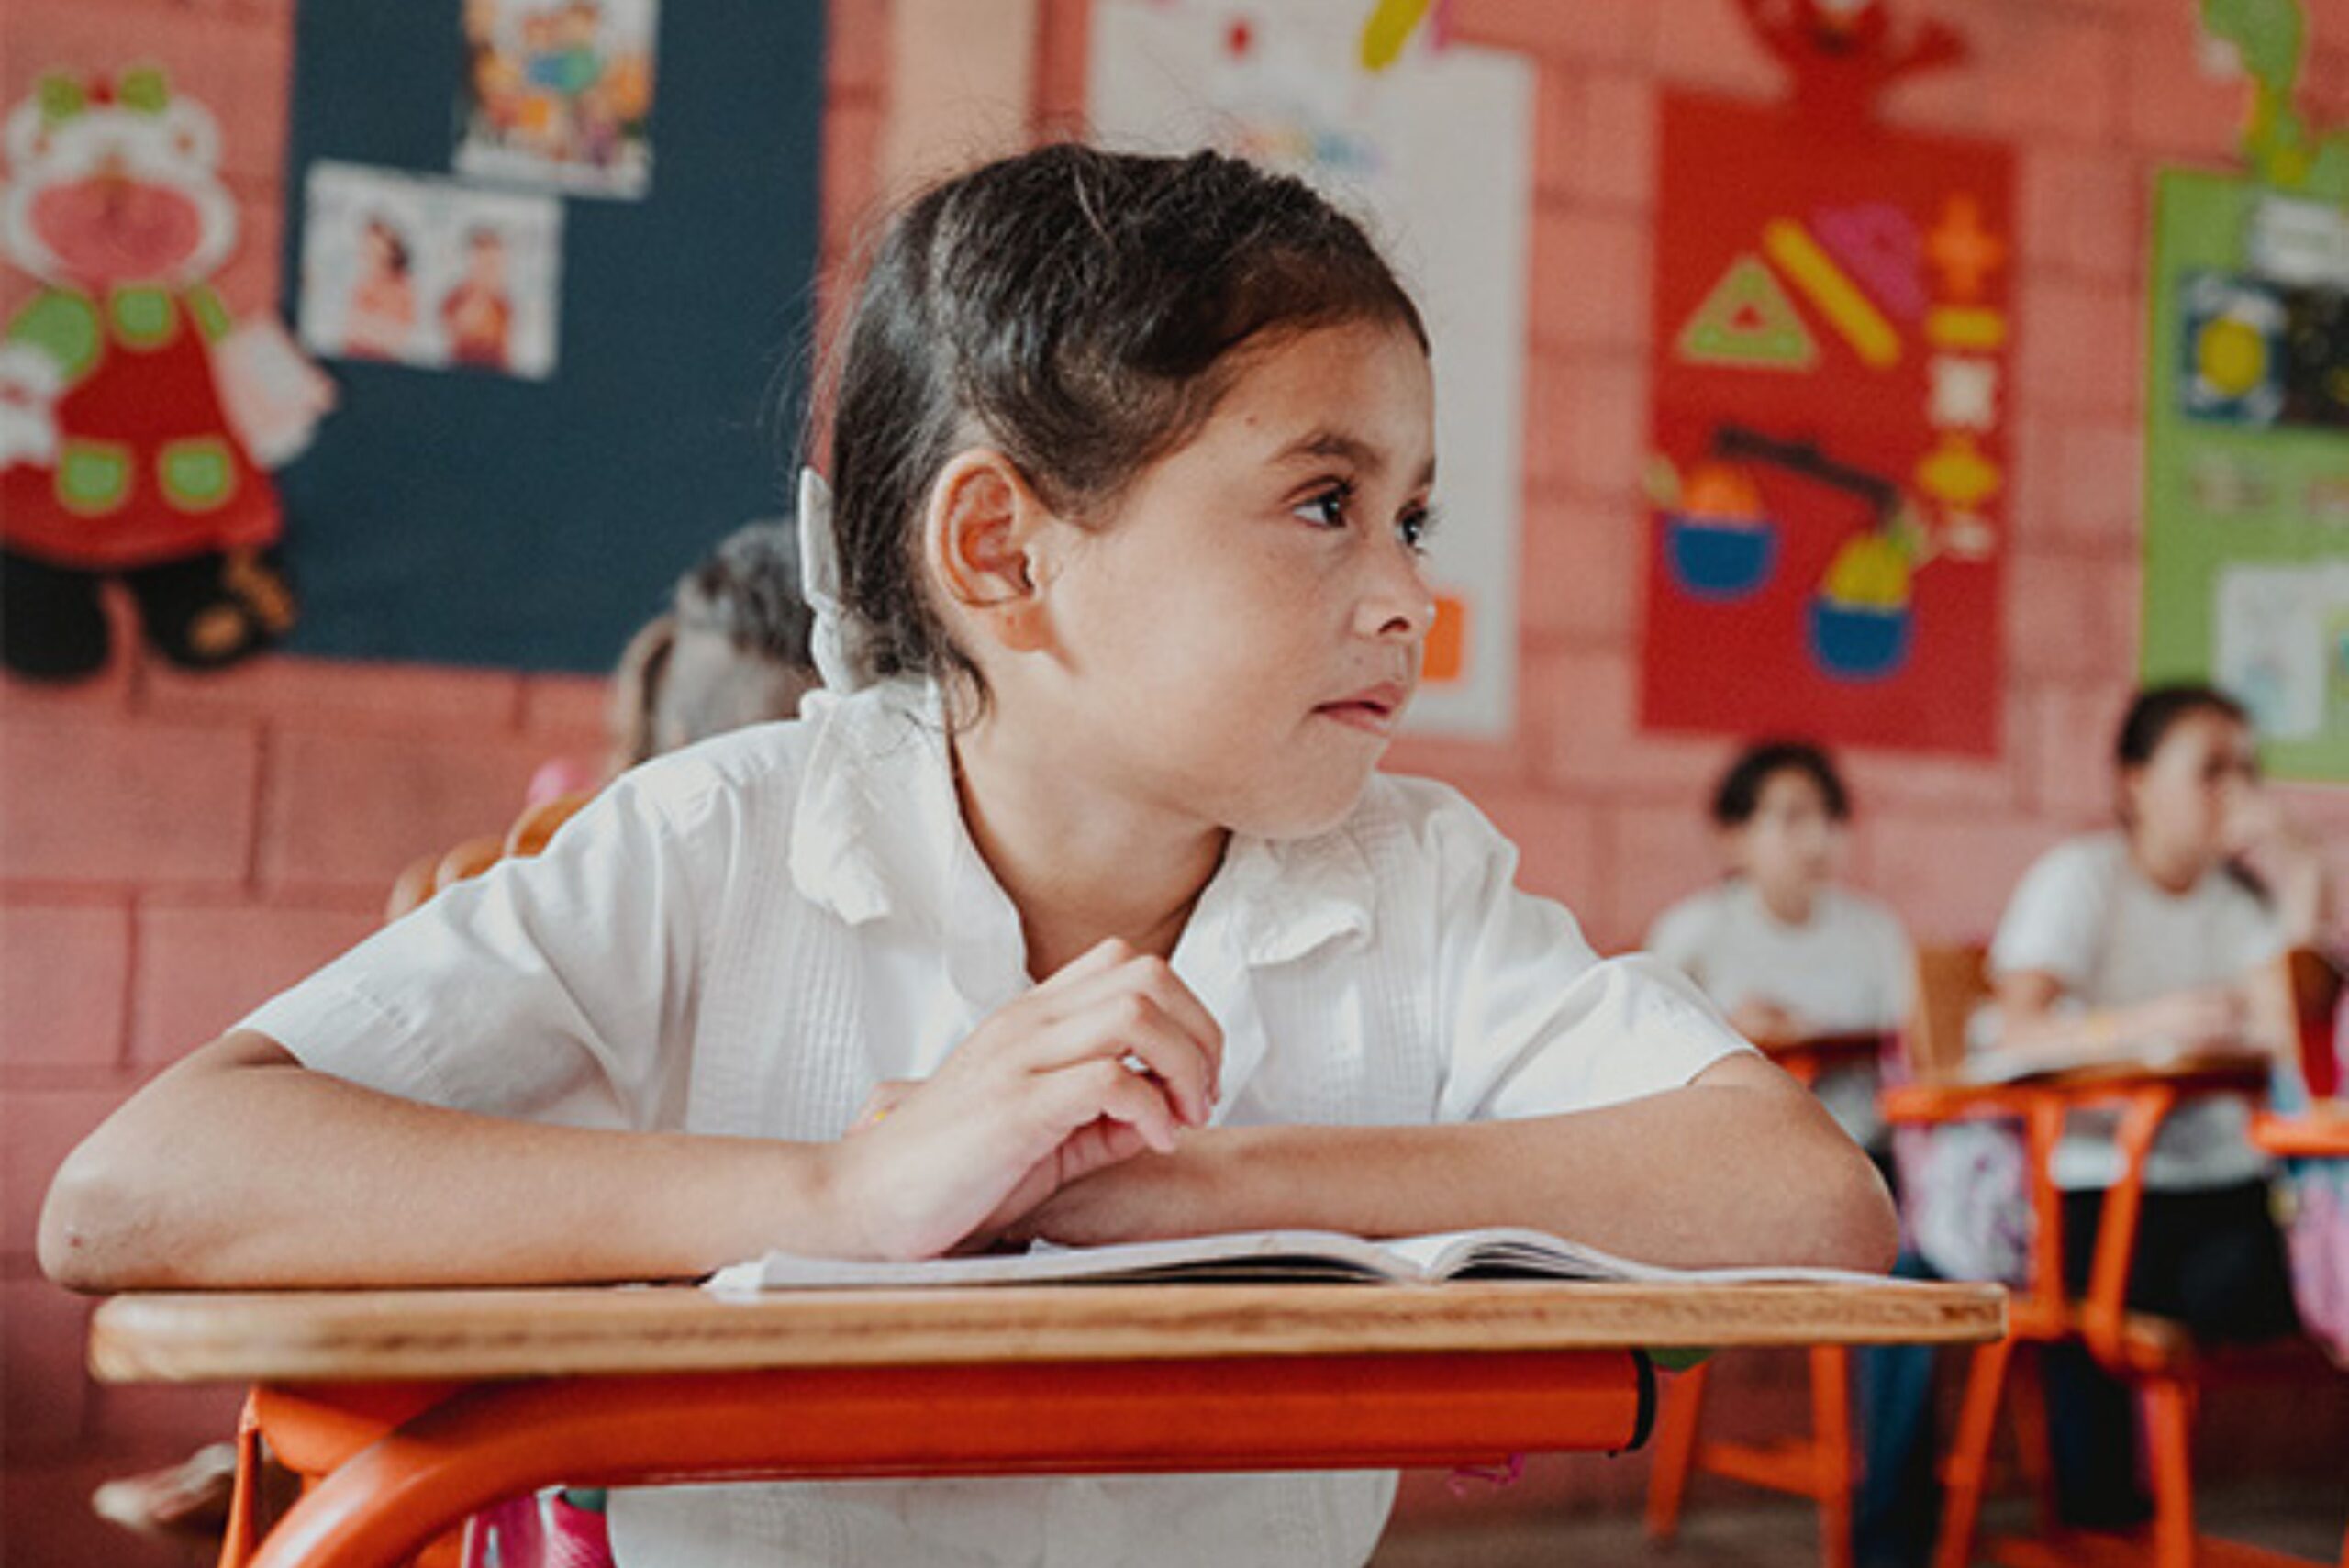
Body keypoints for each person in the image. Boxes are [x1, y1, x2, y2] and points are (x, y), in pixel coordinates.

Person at [39, 144, 1894, 1568]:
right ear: (1001, 551)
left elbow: (1806, 1201)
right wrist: (844, 1193)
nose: (1409, 594)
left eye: (1411, 514)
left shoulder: (1408, 878)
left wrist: (1205, 1197)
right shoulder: (725, 838)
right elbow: (132, 1190)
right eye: (1322, 504)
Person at [1982, 683, 2330, 1532]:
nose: (2237, 793)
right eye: (2211, 768)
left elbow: (2296, 1024)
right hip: (2100, 1191)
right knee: (2232, 1280)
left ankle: (2117, 1517)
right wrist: (2147, 1025)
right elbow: (2011, 1030)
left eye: (2249, 770)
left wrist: (2303, 877)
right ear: (2135, 780)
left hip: (2227, 1185)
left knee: (2308, 1260)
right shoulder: (2081, 878)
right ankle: (2102, 1521)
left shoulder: (2237, 904)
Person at [1646, 740, 1912, 1154]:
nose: (1817, 840)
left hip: (1863, 1149)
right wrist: (1730, 1031)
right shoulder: (1694, 931)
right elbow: (1650, 1054)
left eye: (1830, 817)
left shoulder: (1876, 929)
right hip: (1732, 1151)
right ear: (1733, 836)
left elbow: (1912, 1049)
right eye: (1792, 818)